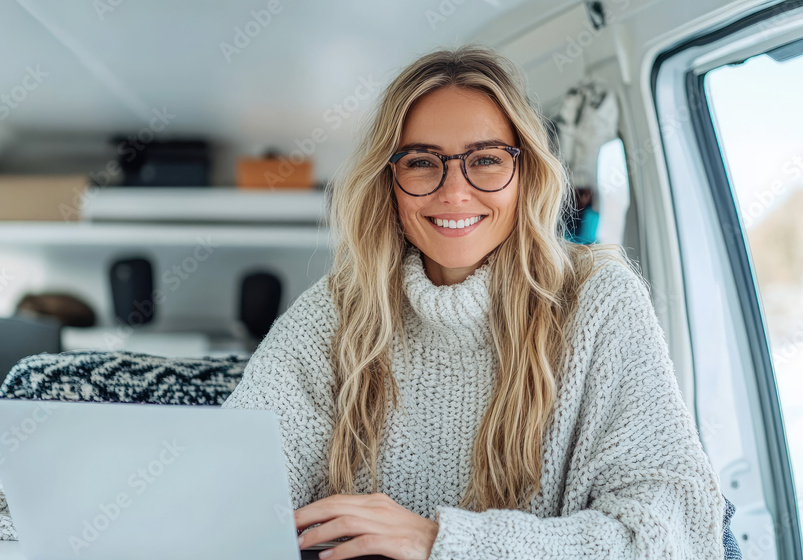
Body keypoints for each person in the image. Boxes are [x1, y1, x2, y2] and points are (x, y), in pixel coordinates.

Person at [222, 44, 738, 559]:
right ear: (389, 181)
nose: (454, 191)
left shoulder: (598, 301)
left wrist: (440, 543)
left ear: (526, 173)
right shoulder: (334, 314)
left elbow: (677, 535)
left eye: (486, 160)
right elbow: (230, 495)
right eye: (423, 162)